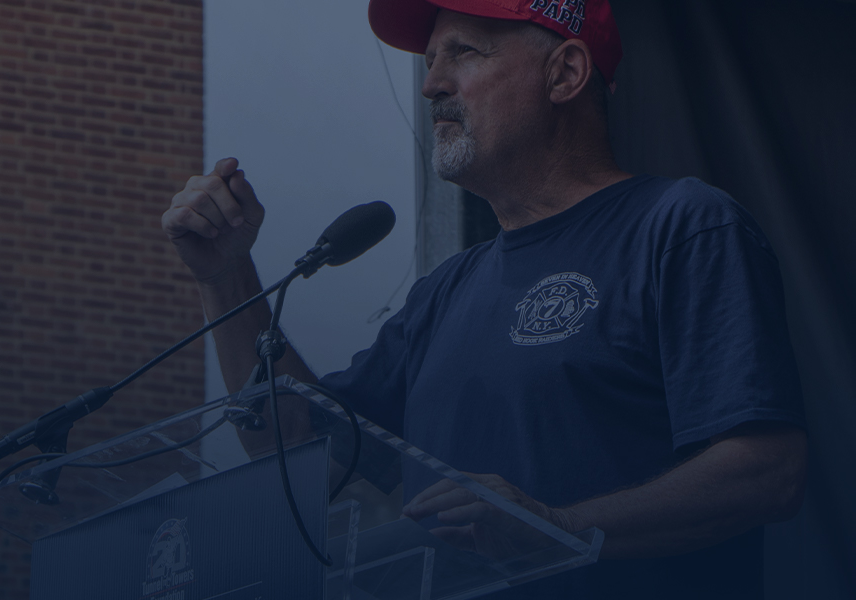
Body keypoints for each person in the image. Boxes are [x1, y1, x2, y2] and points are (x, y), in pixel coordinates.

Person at [161, 0, 808, 597]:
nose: (431, 84)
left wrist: (556, 527)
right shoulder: (444, 292)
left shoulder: (681, 226)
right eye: (429, 60)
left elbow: (765, 471)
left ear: (565, 73)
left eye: (464, 52)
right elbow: (299, 452)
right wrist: (226, 275)